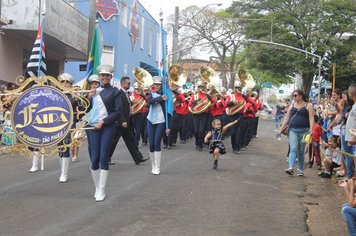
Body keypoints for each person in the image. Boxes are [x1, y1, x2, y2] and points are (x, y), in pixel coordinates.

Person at [84, 65, 121, 202]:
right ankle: (96, 187)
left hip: (107, 127)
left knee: (103, 157)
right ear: (99, 77)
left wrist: (103, 122)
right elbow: (85, 110)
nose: (104, 77)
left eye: (107, 75)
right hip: (92, 126)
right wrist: (88, 97)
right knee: (94, 159)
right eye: (102, 75)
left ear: (111, 77)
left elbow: (117, 112)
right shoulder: (93, 91)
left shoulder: (115, 92)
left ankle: (102, 189)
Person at [107, 77, 149, 165]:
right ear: (123, 84)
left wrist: (133, 103)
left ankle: (138, 158)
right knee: (112, 142)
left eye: (129, 83)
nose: (130, 85)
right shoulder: (119, 93)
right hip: (120, 123)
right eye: (128, 83)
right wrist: (122, 120)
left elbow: (127, 106)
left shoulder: (127, 93)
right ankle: (106, 158)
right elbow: (118, 109)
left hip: (127, 121)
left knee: (131, 141)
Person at [278, 89, 315, 176]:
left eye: (295, 95)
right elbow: (286, 118)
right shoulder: (292, 105)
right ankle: (290, 168)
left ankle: (300, 169)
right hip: (293, 130)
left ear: (300, 96)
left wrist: (311, 129)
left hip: (305, 131)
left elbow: (311, 118)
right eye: (293, 96)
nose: (293, 97)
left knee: (301, 151)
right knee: (293, 148)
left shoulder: (308, 105)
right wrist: (280, 130)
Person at [57, 73, 80, 183]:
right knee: (60, 147)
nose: (65, 84)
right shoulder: (55, 95)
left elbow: (81, 108)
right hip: (56, 124)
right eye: (63, 82)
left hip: (69, 123)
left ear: (71, 84)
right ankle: (62, 170)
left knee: (66, 145)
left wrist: (78, 97)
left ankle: (64, 173)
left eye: (67, 82)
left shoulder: (74, 95)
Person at [147, 76, 169, 175]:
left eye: (159, 84)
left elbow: (169, 111)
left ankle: (158, 167)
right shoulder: (151, 94)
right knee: (151, 144)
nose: (157, 86)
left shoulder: (166, 95)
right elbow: (150, 102)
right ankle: (153, 165)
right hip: (150, 120)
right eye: (155, 84)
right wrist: (160, 98)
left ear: (161, 85)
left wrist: (169, 126)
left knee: (156, 143)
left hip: (161, 121)